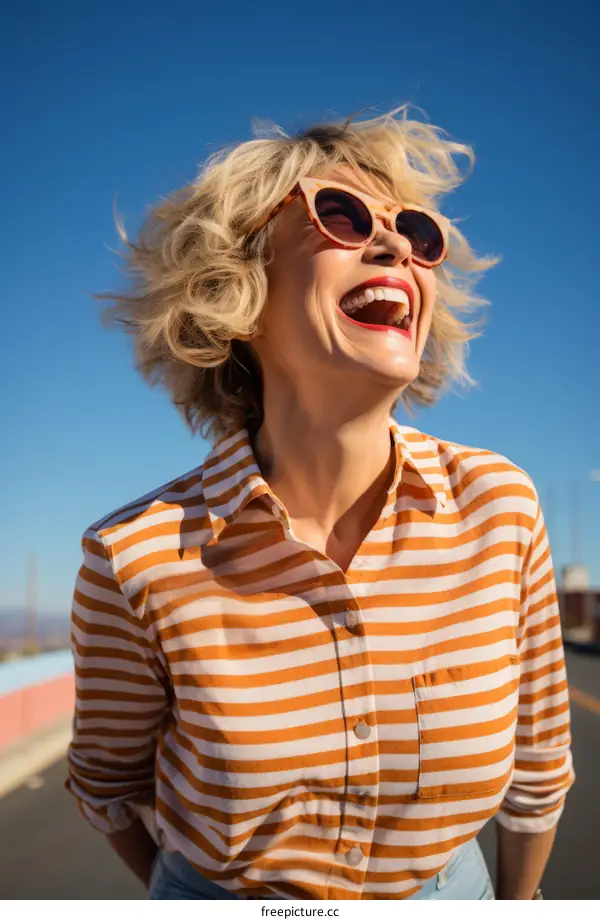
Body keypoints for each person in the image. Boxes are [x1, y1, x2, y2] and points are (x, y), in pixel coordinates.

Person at [65, 105, 574, 900]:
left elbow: (539, 767)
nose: (398, 245)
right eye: (342, 216)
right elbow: (108, 786)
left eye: (418, 231)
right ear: (239, 286)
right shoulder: (133, 557)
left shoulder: (500, 506)